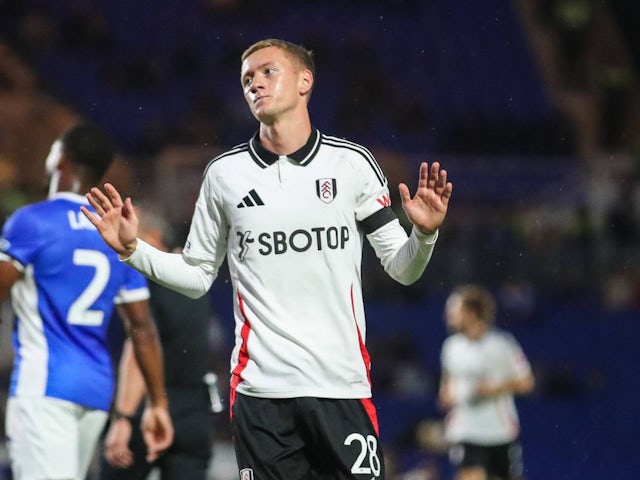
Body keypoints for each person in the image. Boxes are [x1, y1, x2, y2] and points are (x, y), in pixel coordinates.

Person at [82, 38, 453, 479]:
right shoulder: (224, 175)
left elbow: (402, 268)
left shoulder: (351, 164)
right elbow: (199, 275)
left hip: (340, 385)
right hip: (261, 394)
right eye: (246, 79)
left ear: (304, 81)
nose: (255, 83)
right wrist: (132, 250)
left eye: (267, 72)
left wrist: (424, 235)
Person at [0, 123, 173, 480]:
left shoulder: (32, 221)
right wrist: (158, 402)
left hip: (44, 387)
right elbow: (141, 328)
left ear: (60, 157)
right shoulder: (117, 234)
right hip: (95, 390)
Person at [99, 206, 220, 480]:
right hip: (195, 412)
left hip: (151, 408)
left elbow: (139, 346)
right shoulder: (196, 281)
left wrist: (123, 418)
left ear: (153, 238)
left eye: (132, 235)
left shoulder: (146, 282)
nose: (121, 243)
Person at [438, 285, 535, 480]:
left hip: (500, 432)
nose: (448, 316)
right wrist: (446, 397)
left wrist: (495, 388)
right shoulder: (451, 347)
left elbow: (527, 382)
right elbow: (446, 387)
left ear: (471, 313)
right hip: (466, 432)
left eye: (454, 311)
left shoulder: (502, 345)